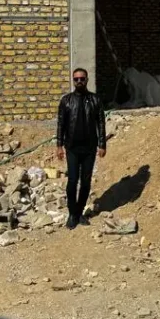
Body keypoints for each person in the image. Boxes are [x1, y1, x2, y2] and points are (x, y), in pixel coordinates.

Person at [56, 68, 107, 229]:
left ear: (87, 80)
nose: (79, 82)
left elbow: (100, 123)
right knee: (72, 181)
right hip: (72, 147)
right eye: (76, 79)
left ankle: (79, 212)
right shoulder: (66, 101)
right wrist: (59, 145)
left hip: (89, 148)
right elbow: (60, 124)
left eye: (82, 79)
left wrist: (102, 144)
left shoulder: (95, 100)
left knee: (85, 182)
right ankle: (72, 214)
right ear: (73, 80)